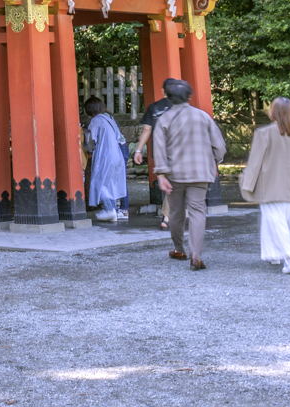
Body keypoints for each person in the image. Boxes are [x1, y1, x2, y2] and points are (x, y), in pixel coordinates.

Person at [150, 79, 226, 270]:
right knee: (198, 211)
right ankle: (196, 255)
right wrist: (214, 160)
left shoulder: (164, 120)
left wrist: (161, 175)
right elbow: (220, 146)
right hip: (201, 172)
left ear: (167, 97)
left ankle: (179, 249)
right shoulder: (203, 116)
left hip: (174, 174)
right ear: (189, 96)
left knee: (176, 213)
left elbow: (158, 150)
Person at [238, 97, 290, 274]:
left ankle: (289, 259)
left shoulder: (264, 133)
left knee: (275, 220)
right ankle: (275, 255)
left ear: (273, 112)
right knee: (288, 221)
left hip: (270, 185)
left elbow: (255, 162)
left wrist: (247, 183)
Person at [133, 81, 177, 227]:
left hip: (159, 151)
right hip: (178, 150)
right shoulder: (180, 107)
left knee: (168, 182)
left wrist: (138, 150)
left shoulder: (154, 107)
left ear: (163, 91)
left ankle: (168, 216)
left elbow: (147, 129)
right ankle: (168, 216)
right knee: (177, 183)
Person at [83, 96, 129, 222]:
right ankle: (112, 210)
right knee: (111, 184)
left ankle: (110, 210)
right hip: (117, 155)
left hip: (105, 156)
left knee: (99, 182)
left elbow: (91, 140)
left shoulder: (96, 121)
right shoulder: (109, 119)